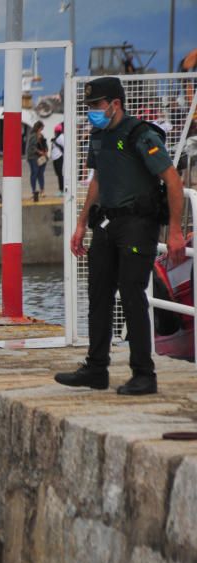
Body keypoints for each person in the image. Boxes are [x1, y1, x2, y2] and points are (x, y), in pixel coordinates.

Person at [55, 76, 186, 395]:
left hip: (138, 225)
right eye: (89, 107)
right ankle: (96, 368)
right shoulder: (99, 136)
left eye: (97, 105)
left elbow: (172, 180)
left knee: (132, 294)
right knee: (99, 294)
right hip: (107, 224)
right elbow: (98, 180)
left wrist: (176, 231)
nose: (93, 112)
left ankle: (144, 373)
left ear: (115, 104)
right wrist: (81, 222)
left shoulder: (140, 134)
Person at [27, 121, 48, 202]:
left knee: (40, 173)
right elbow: (32, 147)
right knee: (34, 173)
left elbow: (44, 144)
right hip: (33, 157)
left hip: (41, 157)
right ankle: (34, 191)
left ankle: (42, 190)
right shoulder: (33, 136)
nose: (42, 129)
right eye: (42, 127)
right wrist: (40, 152)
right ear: (39, 127)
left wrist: (45, 151)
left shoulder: (41, 135)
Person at [50, 123, 65, 195]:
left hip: (59, 157)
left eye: (56, 131)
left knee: (60, 174)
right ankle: (61, 189)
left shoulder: (61, 137)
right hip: (55, 158)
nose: (55, 132)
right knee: (58, 174)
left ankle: (62, 190)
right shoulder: (57, 137)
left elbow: (65, 147)